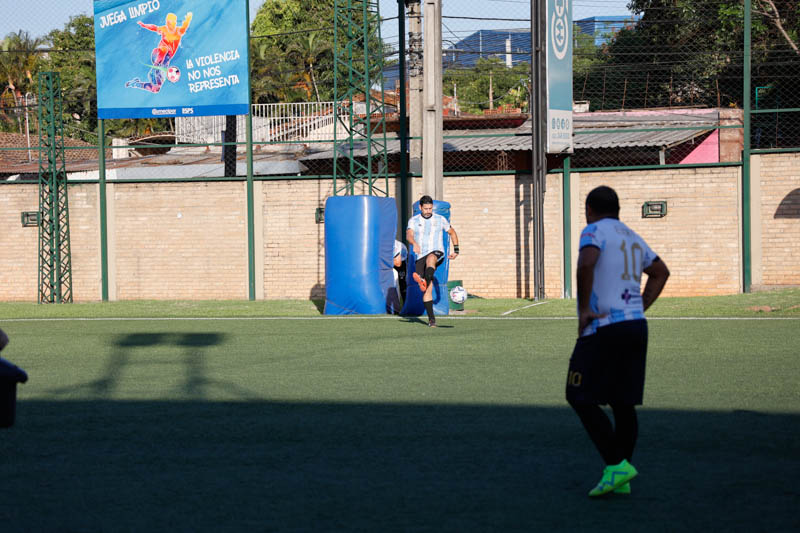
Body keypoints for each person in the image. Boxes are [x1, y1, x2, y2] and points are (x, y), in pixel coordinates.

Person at [566, 185, 670, 497]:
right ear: (618, 209)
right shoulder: (632, 236)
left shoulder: (593, 230)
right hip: (635, 325)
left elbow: (586, 264)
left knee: (578, 394)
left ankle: (616, 465)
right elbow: (660, 272)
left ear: (589, 209)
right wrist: (639, 306)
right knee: (623, 402)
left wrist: (584, 309)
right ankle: (619, 474)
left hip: (603, 327)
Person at [405, 195, 459, 327]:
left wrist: (456, 250)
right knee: (427, 290)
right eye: (425, 209)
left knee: (431, 258)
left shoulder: (440, 219)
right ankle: (432, 319)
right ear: (420, 208)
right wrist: (414, 243)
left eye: (430, 208)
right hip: (420, 256)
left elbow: (452, 232)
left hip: (437, 252)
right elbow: (409, 235)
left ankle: (424, 279)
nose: (428, 211)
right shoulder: (414, 220)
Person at [126, 12, 193, 93]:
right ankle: (155, 67)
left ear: (174, 23)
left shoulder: (178, 32)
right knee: (165, 49)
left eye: (170, 23)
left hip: (166, 59)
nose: (168, 26)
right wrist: (144, 25)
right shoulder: (164, 29)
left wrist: (188, 18)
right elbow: (154, 27)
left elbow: (185, 26)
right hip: (158, 53)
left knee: (156, 89)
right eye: (167, 23)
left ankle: (135, 84)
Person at [393, 239, 408, 305]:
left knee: (402, 284)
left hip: (400, 264)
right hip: (394, 261)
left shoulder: (395, 245)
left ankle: (405, 304)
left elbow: (398, 263)